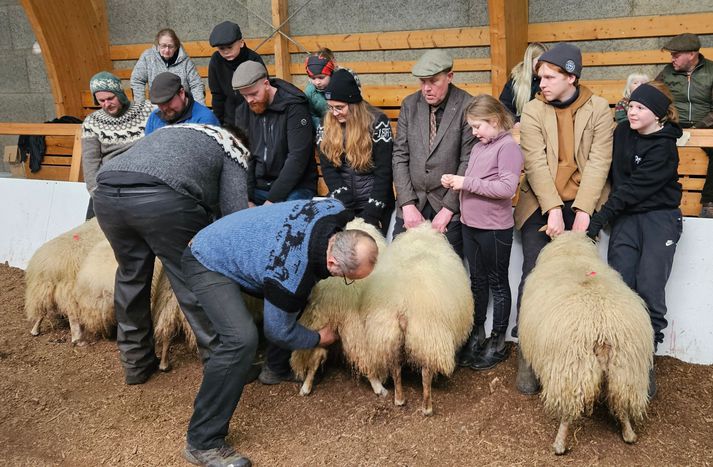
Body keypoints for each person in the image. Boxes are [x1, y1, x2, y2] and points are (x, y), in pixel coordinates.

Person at [180, 199, 378, 467]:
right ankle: (203, 442)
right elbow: (278, 332)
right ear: (332, 261)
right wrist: (319, 338)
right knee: (241, 340)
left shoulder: (334, 210)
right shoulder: (291, 276)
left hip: (234, 240)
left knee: (298, 297)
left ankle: (274, 369)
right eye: (347, 278)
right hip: (205, 259)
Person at [92, 124, 250, 386]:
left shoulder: (175, 131)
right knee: (194, 278)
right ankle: (223, 363)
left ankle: (136, 363)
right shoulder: (232, 146)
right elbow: (235, 216)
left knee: (131, 276)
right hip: (162, 199)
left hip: (107, 192)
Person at [513, 43, 614, 394]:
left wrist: (584, 213)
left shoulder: (600, 109)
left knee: (582, 276)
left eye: (550, 77)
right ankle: (528, 355)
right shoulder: (531, 111)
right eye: (540, 77)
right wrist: (552, 210)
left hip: (584, 201)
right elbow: (536, 164)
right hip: (541, 201)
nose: (542, 83)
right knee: (535, 273)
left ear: (571, 77)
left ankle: (575, 354)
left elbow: (600, 161)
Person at [587, 82, 683, 398]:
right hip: (626, 217)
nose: (632, 111)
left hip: (659, 218)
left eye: (640, 108)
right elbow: (612, 176)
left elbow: (633, 189)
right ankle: (620, 358)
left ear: (657, 115)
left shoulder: (665, 148)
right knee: (622, 285)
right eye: (631, 106)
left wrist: (599, 218)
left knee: (650, 287)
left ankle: (645, 361)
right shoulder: (622, 133)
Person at [441, 95, 523, 370]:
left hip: (494, 229)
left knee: (497, 282)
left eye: (478, 126)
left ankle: (498, 339)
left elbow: (506, 189)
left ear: (495, 121)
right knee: (477, 281)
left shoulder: (508, 147)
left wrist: (466, 182)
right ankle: (476, 334)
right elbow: (477, 181)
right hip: (470, 224)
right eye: (472, 127)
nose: (474, 133)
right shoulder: (479, 148)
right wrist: (456, 182)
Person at [392, 49, 476, 256]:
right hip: (413, 202)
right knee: (400, 266)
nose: (426, 89)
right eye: (422, 82)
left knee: (447, 270)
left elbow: (468, 161)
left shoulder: (467, 105)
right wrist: (407, 204)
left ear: (449, 76)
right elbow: (400, 156)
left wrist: (448, 209)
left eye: (433, 81)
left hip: (448, 205)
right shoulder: (409, 105)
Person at [317, 69, 394, 234]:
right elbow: (328, 168)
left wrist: (373, 209)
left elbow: (384, 171)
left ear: (353, 104)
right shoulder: (326, 124)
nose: (334, 113)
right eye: (331, 107)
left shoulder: (378, 122)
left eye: (339, 107)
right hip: (343, 201)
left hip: (374, 200)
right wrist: (342, 196)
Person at [233, 60, 317, 205]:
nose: (249, 100)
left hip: (295, 187)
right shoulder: (243, 111)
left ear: (266, 84)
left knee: (286, 219)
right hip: (259, 188)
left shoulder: (294, 107)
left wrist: (272, 201)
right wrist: (247, 198)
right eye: (244, 96)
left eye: (253, 94)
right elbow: (244, 157)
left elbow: (297, 158)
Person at [655, 33, 713, 217]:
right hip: (674, 123)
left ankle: (709, 203)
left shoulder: (711, 71)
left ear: (691, 54)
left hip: (705, 124)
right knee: (651, 146)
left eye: (676, 55)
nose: (672, 59)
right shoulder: (666, 71)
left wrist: (699, 128)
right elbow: (653, 93)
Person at [81, 71, 153, 219]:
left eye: (110, 98)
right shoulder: (91, 122)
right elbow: (90, 163)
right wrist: (97, 194)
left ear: (120, 93)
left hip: (142, 178)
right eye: (101, 101)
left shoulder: (147, 109)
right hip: (110, 183)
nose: (106, 104)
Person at [208, 21, 265, 125]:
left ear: (241, 42)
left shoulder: (254, 60)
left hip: (254, 118)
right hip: (229, 119)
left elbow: (262, 92)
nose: (226, 52)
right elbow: (217, 96)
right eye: (221, 48)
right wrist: (218, 124)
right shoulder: (216, 61)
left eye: (230, 47)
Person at [130, 28, 205, 104]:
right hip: (157, 106)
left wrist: (200, 108)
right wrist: (141, 105)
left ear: (176, 47)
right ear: (158, 45)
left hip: (180, 107)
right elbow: (137, 80)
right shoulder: (148, 57)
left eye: (170, 46)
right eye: (163, 46)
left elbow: (196, 85)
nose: (166, 50)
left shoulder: (186, 62)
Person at [144, 72, 219, 135]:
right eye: (160, 104)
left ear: (181, 93)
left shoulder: (205, 120)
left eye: (168, 102)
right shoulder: (154, 117)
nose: (164, 108)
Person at [304, 48, 361, 129]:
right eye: (313, 78)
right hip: (325, 127)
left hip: (350, 124)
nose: (317, 82)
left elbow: (356, 105)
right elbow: (311, 114)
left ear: (331, 72)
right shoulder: (310, 91)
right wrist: (322, 128)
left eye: (321, 77)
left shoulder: (346, 79)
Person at [498, 42, 548, 124]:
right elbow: (504, 110)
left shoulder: (548, 82)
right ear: (530, 60)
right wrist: (517, 122)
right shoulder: (515, 83)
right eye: (540, 61)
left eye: (546, 61)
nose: (544, 65)